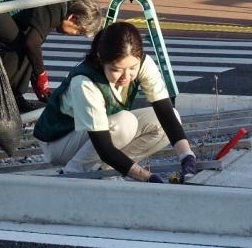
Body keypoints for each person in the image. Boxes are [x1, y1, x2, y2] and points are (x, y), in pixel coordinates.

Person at [33, 21, 197, 183]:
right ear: (100, 59)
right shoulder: (85, 82)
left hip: (96, 134)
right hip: (59, 142)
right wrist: (148, 177)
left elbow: (166, 114)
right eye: (116, 69)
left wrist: (187, 157)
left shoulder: (142, 63)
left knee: (167, 120)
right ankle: (72, 173)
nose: (126, 76)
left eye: (132, 68)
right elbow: (104, 148)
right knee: (124, 123)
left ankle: (105, 171)